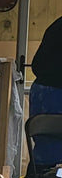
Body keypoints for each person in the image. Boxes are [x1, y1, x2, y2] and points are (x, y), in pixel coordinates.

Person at [28, 13, 62, 166]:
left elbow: (38, 64)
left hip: (45, 90)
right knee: (50, 157)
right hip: (52, 92)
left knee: (46, 156)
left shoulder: (57, 25)